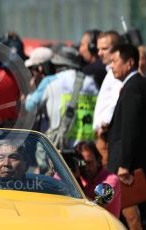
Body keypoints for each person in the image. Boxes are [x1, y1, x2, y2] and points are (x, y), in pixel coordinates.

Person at [108, 43, 146, 230]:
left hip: (128, 169)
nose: (111, 65)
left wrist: (125, 165)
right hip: (129, 163)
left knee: (132, 216)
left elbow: (131, 128)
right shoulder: (135, 85)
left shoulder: (133, 88)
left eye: (115, 61)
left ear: (129, 62)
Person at [92, 31, 123, 168]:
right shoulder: (110, 72)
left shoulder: (116, 74)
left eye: (104, 49)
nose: (99, 53)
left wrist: (104, 126)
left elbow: (116, 102)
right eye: (98, 49)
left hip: (106, 137)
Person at [74, 141, 121, 218]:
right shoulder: (77, 174)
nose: (85, 167)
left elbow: (97, 206)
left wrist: (74, 182)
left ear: (98, 160)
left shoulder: (111, 180)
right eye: (81, 163)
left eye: (89, 163)